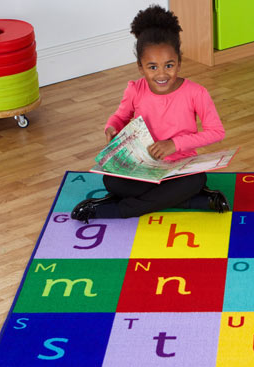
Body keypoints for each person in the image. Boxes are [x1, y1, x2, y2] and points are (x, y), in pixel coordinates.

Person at [71, 5, 229, 223]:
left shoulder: (196, 93)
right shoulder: (135, 89)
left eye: (169, 65)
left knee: (195, 180)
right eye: (152, 67)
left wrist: (175, 144)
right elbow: (120, 117)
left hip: (179, 168)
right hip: (142, 166)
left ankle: (119, 210)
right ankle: (193, 201)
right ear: (140, 67)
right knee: (112, 182)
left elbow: (216, 132)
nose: (162, 74)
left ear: (179, 62)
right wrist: (111, 127)